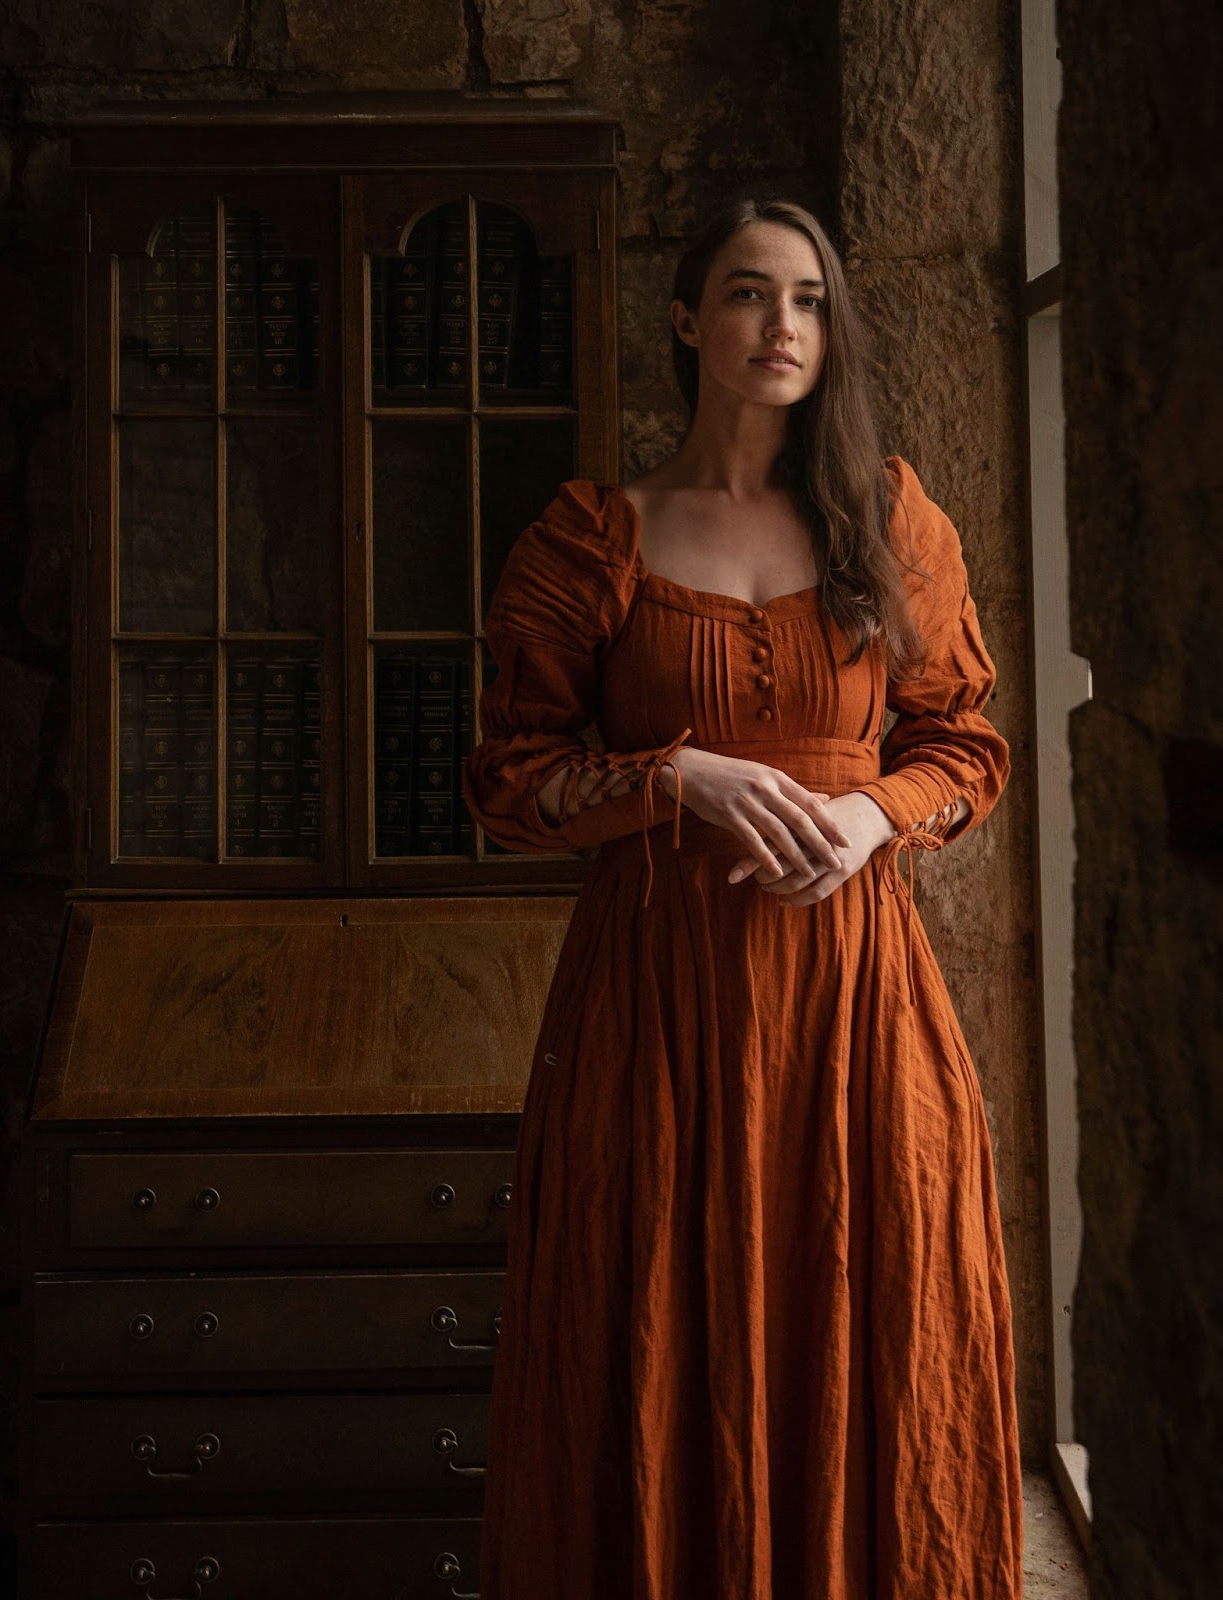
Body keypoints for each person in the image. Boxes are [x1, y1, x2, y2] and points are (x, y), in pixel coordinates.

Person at [460, 197, 1022, 1600]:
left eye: (811, 301)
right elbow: (508, 785)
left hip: (853, 1009)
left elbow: (968, 746)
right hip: (658, 1011)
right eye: (751, 295)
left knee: (875, 1323)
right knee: (651, 1322)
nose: (784, 327)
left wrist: (869, 810)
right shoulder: (595, 537)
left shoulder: (887, 516)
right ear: (685, 319)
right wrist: (677, 776)